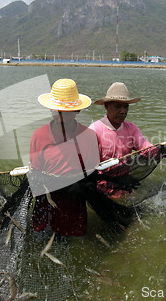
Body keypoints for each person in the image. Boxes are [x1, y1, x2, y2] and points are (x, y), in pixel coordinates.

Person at [28, 79, 100, 236]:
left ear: (77, 111)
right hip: (48, 200)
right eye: (56, 111)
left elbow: (92, 172)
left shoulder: (88, 137)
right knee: (44, 239)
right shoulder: (39, 136)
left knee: (76, 238)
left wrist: (81, 186)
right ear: (51, 110)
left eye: (66, 112)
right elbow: (35, 173)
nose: (60, 116)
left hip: (75, 199)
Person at [89, 82, 155, 198]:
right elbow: (89, 169)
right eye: (118, 106)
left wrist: (165, 149)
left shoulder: (131, 128)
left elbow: (147, 149)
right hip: (102, 192)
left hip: (126, 187)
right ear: (106, 106)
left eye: (126, 106)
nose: (123, 111)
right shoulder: (95, 130)